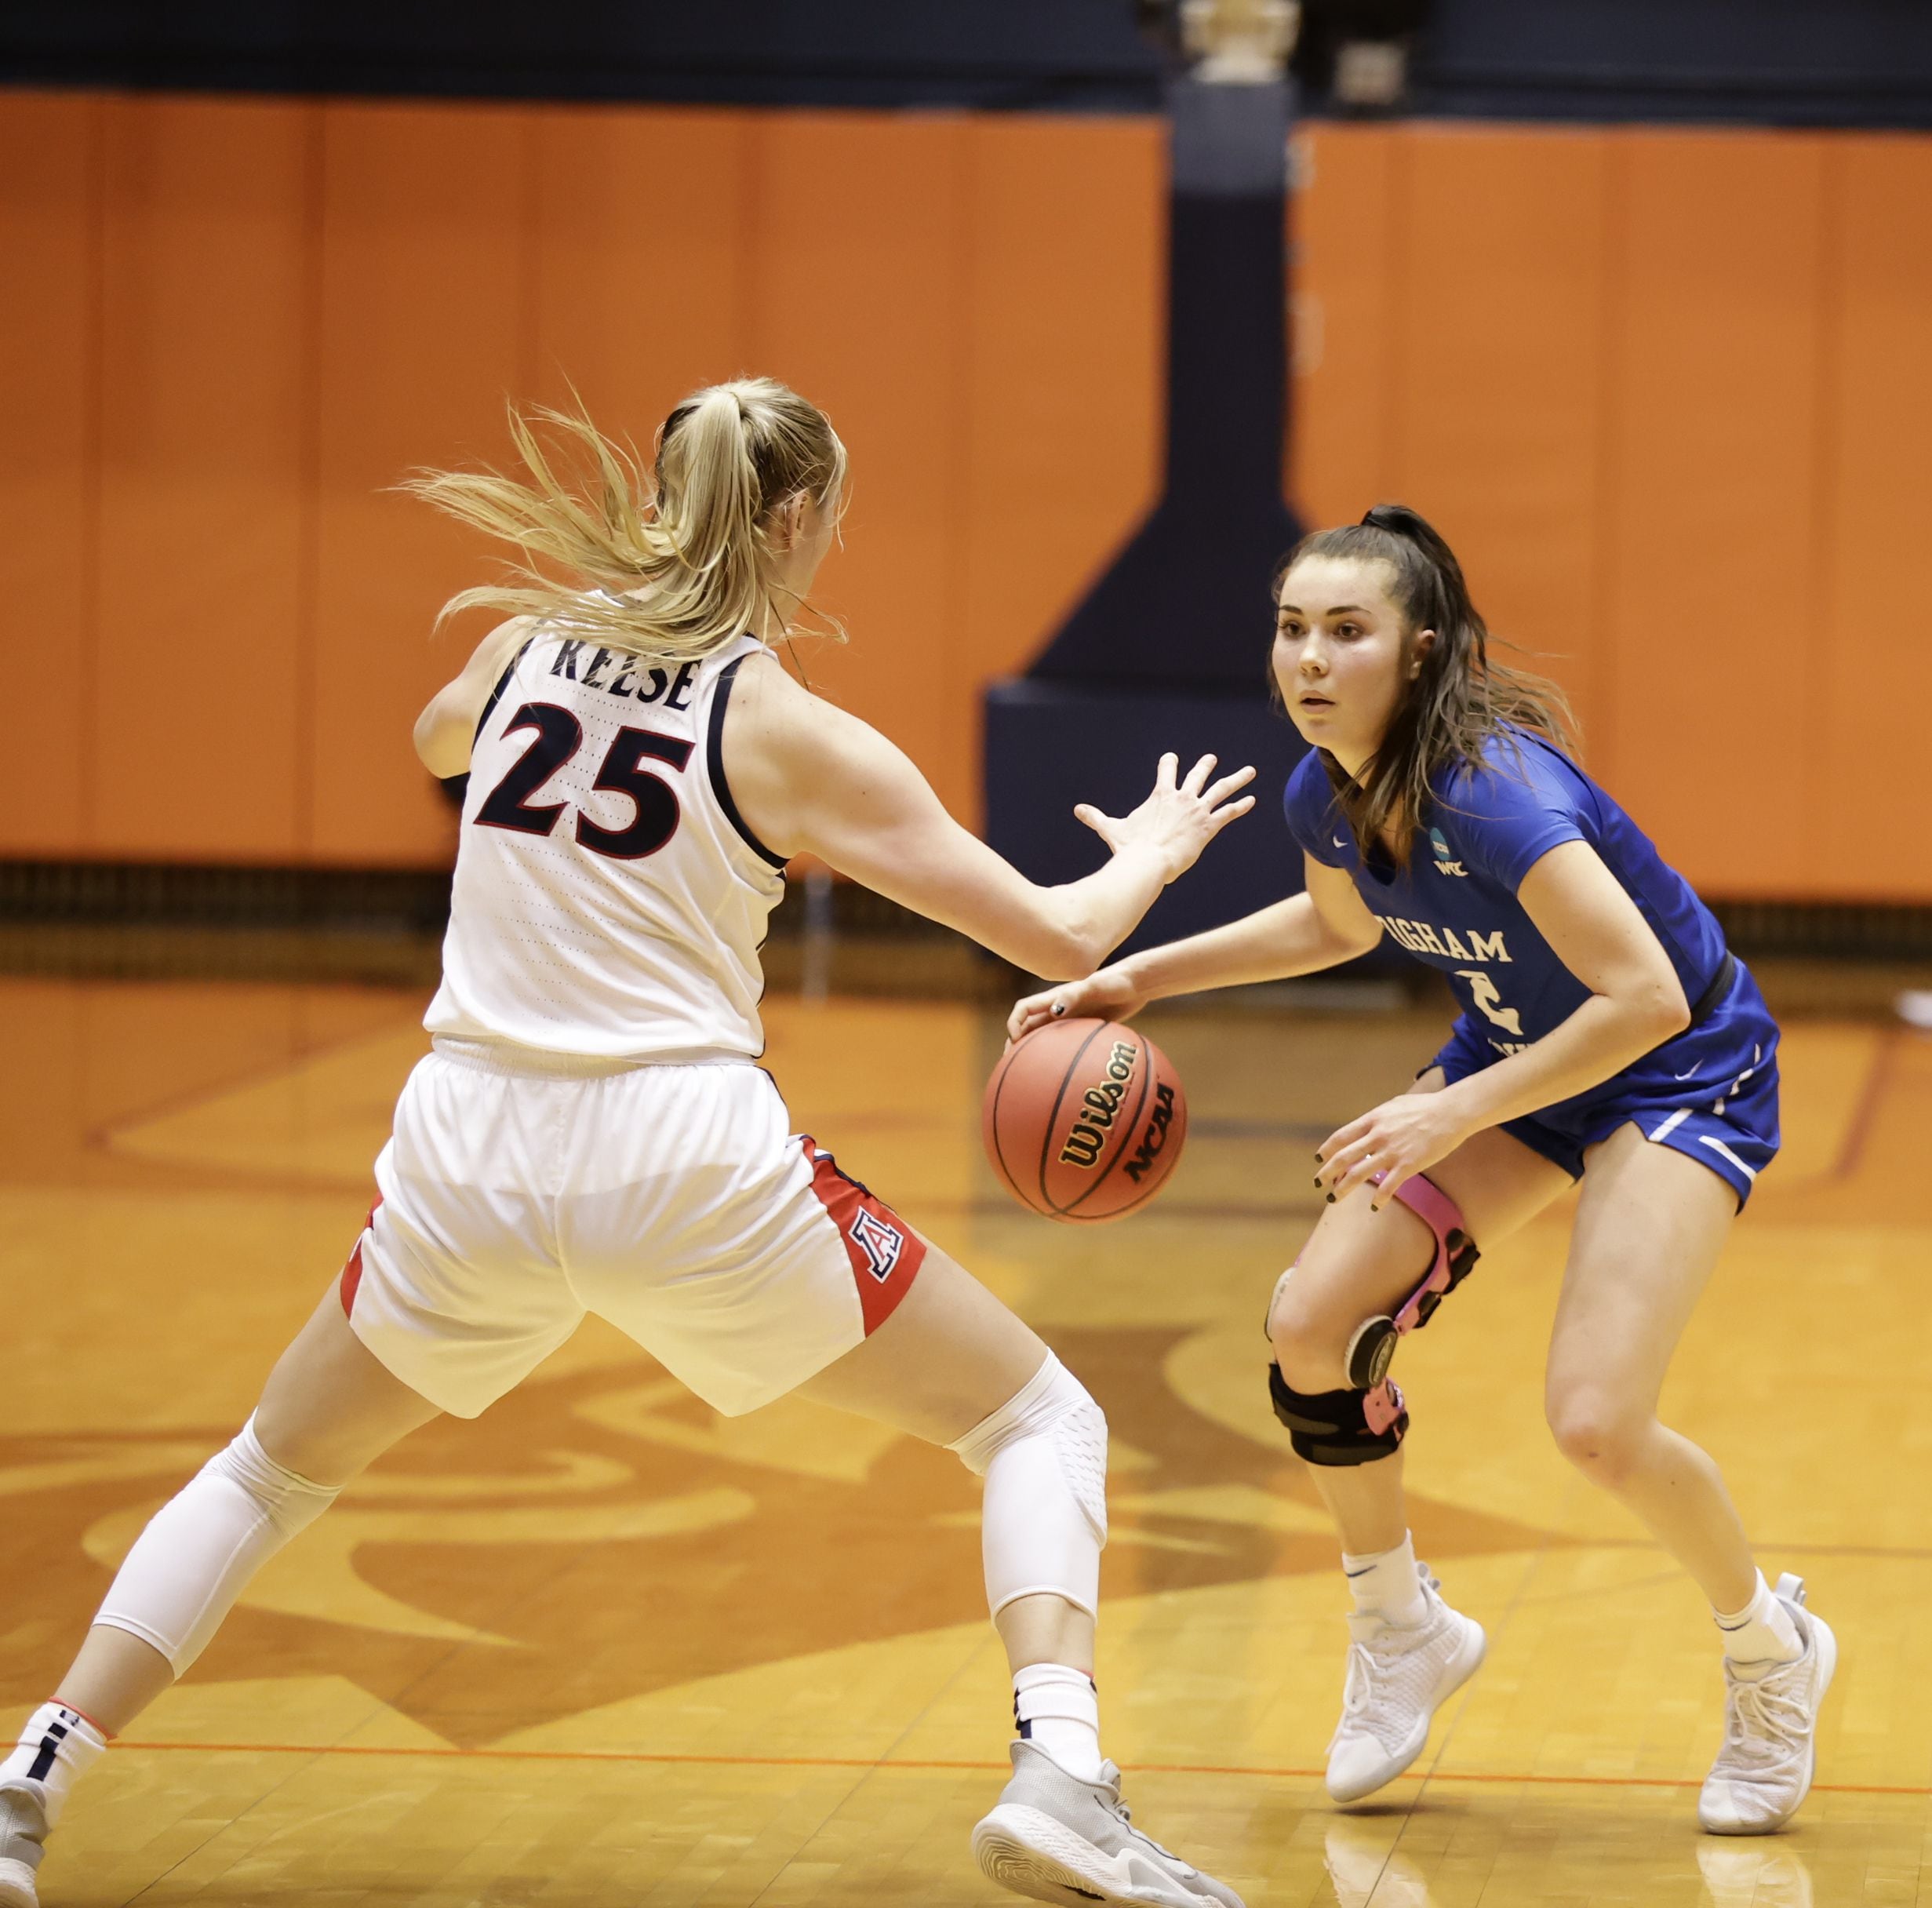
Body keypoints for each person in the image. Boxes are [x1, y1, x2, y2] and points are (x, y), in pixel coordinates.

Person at [0, 381, 1259, 1908]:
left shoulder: (520, 645)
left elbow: (439, 740)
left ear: (663, 502)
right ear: (796, 522)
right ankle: (1064, 1773)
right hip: (682, 1154)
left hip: (467, 1149)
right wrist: (1151, 850)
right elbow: (1058, 933)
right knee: (1035, 1417)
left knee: (273, 1469)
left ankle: (33, 1778)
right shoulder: (787, 727)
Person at [1010, 504, 1830, 1833]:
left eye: (1347, 630)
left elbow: (1642, 1000)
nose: (1310, 659)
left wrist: (1446, 1117)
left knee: (1594, 1422)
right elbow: (1335, 923)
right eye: (1292, 629)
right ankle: (1400, 1626)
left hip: (1680, 1069)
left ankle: (1769, 1650)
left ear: (1419, 647)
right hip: (1520, 1055)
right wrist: (1139, 977)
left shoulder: (1499, 793)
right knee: (1309, 1321)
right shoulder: (1323, 790)